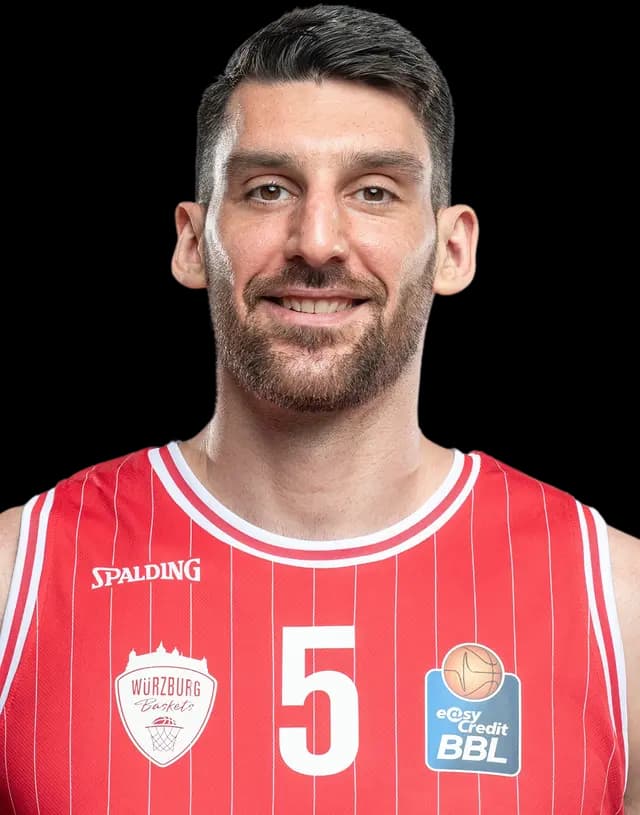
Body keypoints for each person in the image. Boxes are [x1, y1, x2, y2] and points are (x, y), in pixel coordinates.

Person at [0, 4, 637, 812]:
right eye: (269, 189)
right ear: (193, 242)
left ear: (452, 248)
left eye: (374, 191)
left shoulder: (616, 601)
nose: (318, 241)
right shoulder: (18, 576)